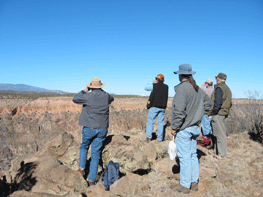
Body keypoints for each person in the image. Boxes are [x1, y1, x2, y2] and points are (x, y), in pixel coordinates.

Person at [171, 64, 212, 194]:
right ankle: (194, 182)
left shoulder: (182, 89)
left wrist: (174, 127)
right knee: (193, 155)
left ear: (180, 75)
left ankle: (184, 185)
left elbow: (179, 111)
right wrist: (198, 115)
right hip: (195, 128)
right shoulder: (198, 89)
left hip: (184, 129)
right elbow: (209, 105)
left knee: (184, 157)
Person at [73, 77, 114, 186]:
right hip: (102, 129)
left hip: (89, 127)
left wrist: (85, 90)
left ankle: (81, 169)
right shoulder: (106, 96)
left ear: (91, 86)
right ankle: (91, 180)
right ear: (100, 86)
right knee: (95, 154)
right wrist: (102, 91)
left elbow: (75, 99)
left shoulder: (88, 96)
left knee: (84, 146)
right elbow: (112, 98)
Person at [210, 73, 232, 158]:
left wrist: (214, 113)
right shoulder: (227, 88)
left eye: (216, 78)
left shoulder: (219, 88)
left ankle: (221, 155)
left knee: (220, 135)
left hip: (219, 114)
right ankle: (216, 152)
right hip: (224, 113)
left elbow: (217, 103)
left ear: (218, 79)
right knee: (220, 134)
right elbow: (230, 103)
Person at [145, 74, 168, 142]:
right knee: (160, 123)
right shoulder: (166, 87)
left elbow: (146, 88)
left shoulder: (154, 85)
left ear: (157, 79)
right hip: (162, 107)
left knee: (150, 122)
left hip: (154, 107)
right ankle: (160, 139)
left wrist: (153, 81)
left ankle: (149, 137)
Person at [199, 78, 214, 144]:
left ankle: (206, 138)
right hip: (213, 110)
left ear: (207, 84)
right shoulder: (214, 90)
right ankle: (211, 137)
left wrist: (202, 86)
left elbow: (198, 93)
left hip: (206, 110)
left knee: (205, 124)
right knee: (210, 124)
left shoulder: (205, 90)